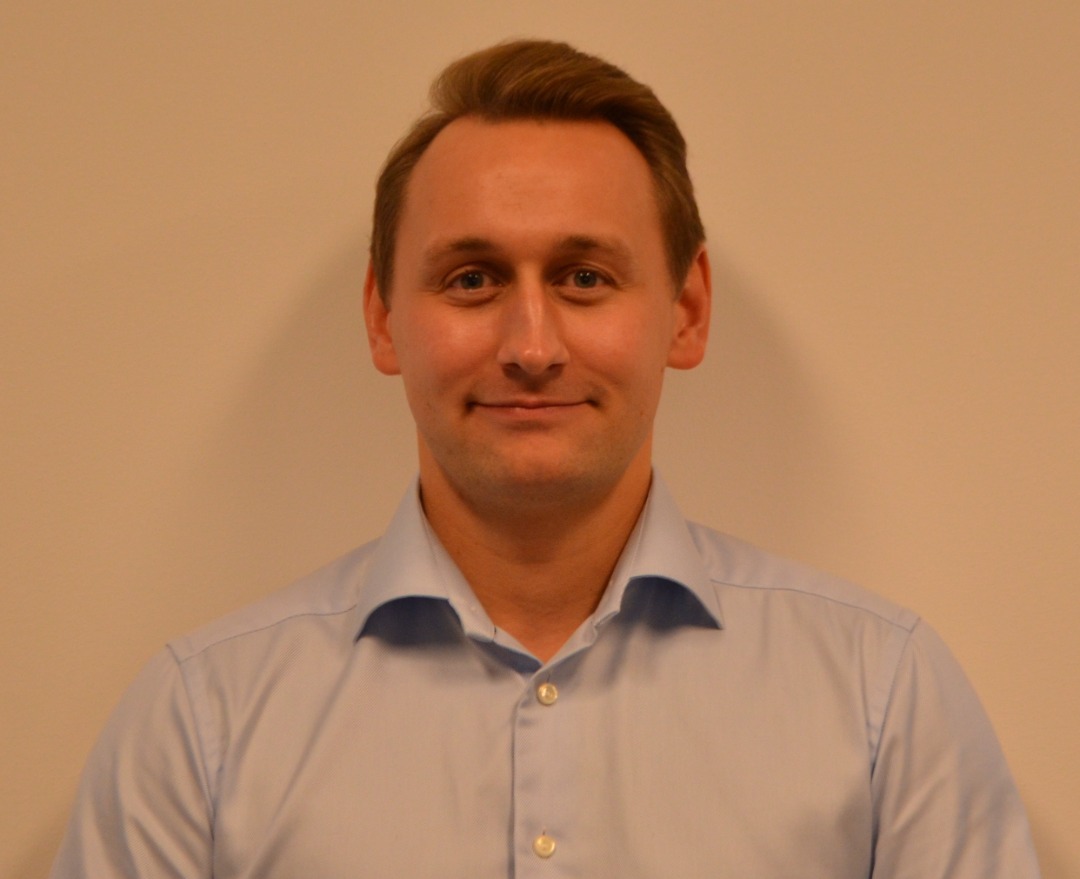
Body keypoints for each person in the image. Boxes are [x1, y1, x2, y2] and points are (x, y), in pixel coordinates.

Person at [51, 39, 1040, 878]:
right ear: (383, 318)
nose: (532, 346)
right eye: (472, 279)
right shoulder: (202, 725)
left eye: (585, 276)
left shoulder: (881, 700)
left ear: (687, 311)